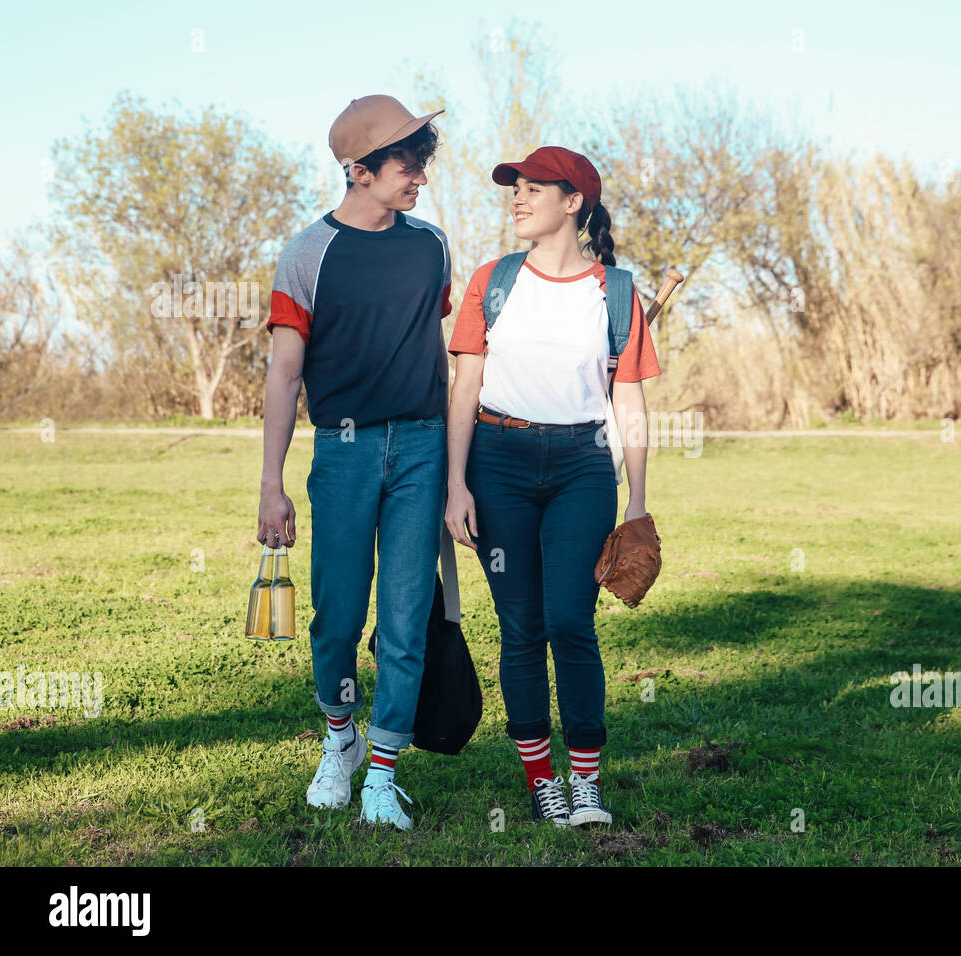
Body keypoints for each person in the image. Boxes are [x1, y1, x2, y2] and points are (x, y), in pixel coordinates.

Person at [444, 146, 661, 827]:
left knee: (571, 623)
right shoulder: (493, 280)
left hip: (581, 467)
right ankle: (544, 783)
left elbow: (628, 405)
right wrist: (455, 483)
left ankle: (587, 783)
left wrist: (637, 501)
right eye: (516, 187)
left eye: (533, 188)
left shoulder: (618, 294)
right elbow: (465, 388)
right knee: (521, 628)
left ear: (574, 203)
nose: (518, 197)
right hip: (497, 461)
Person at [257, 95, 453, 831]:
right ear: (359, 170)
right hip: (341, 451)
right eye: (408, 165)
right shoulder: (308, 254)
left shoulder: (431, 244)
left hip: (422, 448)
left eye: (421, 164)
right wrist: (272, 486)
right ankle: (340, 740)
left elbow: (436, 352)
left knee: (406, 618)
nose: (419, 179)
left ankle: (383, 771)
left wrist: (452, 462)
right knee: (337, 615)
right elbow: (282, 375)